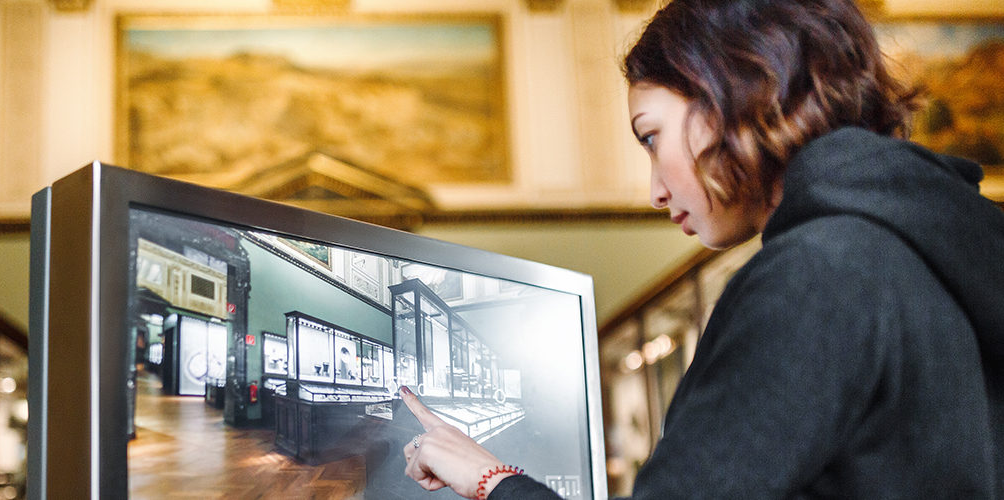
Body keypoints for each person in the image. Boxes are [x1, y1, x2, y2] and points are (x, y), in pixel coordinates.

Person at [399, 0, 1004, 498]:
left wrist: (487, 477)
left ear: (732, 97)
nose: (656, 191)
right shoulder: (915, 243)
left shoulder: (818, 273)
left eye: (651, 136)